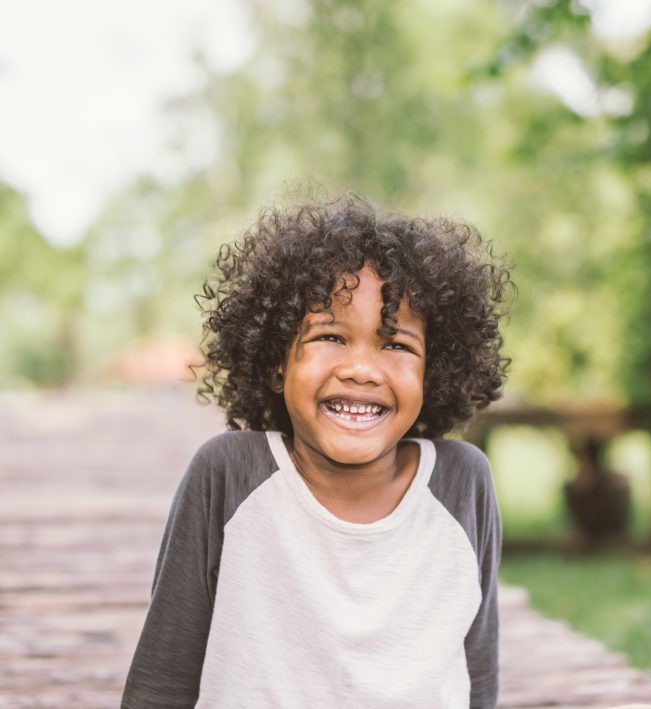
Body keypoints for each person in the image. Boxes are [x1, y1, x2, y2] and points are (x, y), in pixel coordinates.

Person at [122, 194, 514, 708]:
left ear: (432, 374)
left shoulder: (463, 483)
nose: (362, 368)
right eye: (330, 336)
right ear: (276, 363)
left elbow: (476, 671)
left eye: (395, 345)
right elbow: (161, 683)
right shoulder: (229, 474)